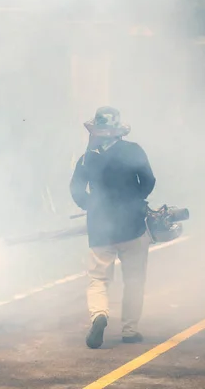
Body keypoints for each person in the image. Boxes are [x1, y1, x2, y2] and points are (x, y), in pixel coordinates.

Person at [69, 106, 156, 349]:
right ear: (119, 130)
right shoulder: (134, 151)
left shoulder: (88, 156)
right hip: (133, 227)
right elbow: (149, 181)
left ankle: (99, 315)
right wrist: (135, 201)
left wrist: (91, 206)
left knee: (98, 279)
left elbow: (76, 189)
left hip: (100, 228)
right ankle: (130, 330)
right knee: (135, 279)